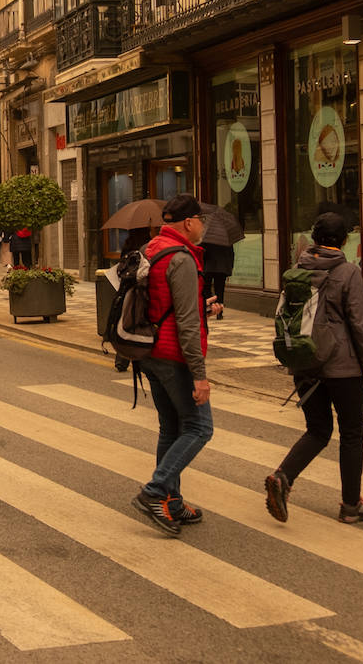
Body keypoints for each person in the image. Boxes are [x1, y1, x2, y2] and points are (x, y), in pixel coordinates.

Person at [264, 211, 363, 525]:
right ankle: (351, 505)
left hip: (305, 362)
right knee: (352, 434)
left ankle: (283, 476)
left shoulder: (299, 269)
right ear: (344, 240)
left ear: (315, 238)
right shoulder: (348, 272)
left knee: (318, 430)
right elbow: (361, 325)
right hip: (342, 368)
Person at [132, 194, 214, 536]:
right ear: (190, 222)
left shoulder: (151, 248)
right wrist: (199, 375)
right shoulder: (181, 258)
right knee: (199, 428)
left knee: (171, 427)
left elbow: (163, 303)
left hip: (149, 351)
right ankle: (155, 491)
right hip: (172, 355)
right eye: (201, 221)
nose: (203, 227)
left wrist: (202, 306)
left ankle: (173, 502)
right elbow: (186, 323)